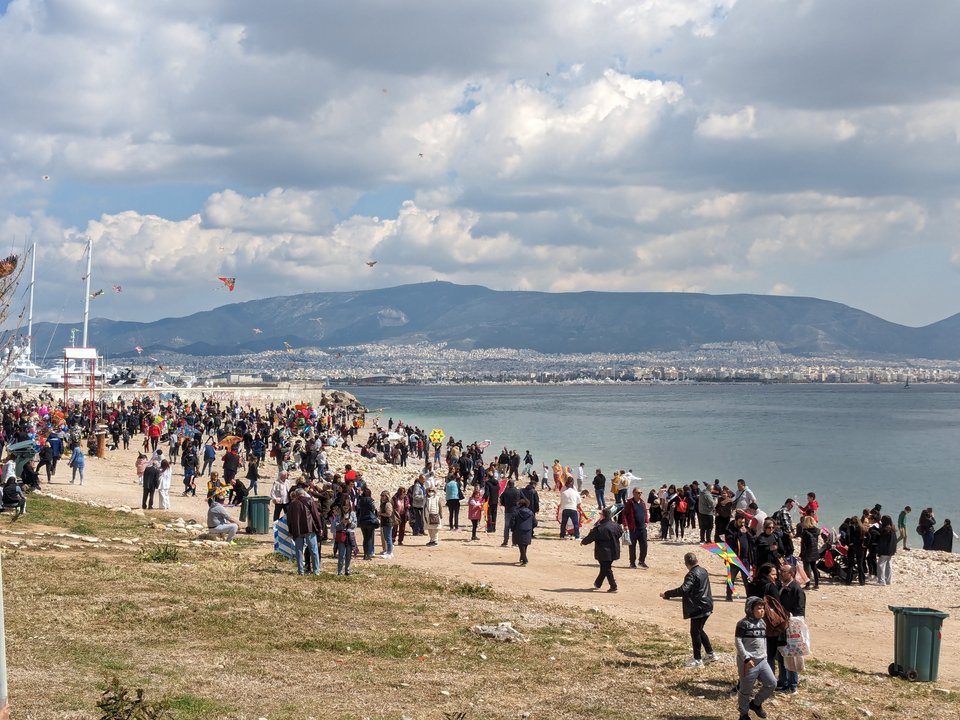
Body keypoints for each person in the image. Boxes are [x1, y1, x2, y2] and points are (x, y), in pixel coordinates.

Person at [661, 552, 716, 667]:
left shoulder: (691, 574)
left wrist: (667, 594)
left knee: (695, 632)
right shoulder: (703, 571)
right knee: (699, 630)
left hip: (698, 607)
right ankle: (710, 654)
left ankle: (697, 659)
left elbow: (683, 590)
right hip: (707, 605)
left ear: (686, 563)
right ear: (696, 560)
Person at [735, 597, 777, 720]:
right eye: (758, 608)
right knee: (745, 690)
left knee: (771, 683)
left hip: (762, 660)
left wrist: (765, 655)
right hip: (748, 662)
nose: (762, 611)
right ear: (750, 609)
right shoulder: (743, 624)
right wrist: (746, 658)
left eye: (763, 608)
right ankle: (743, 714)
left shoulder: (762, 623)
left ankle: (756, 704)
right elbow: (738, 642)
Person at [776, 565, 806, 692]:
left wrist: (788, 617)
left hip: (791, 628)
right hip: (780, 626)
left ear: (792, 573)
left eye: (784, 572)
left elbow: (800, 611)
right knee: (781, 655)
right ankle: (783, 682)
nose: (780, 573)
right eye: (780, 571)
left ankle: (793, 684)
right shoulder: (781, 586)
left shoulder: (796, 589)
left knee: (792, 656)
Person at [581, 506, 623, 592]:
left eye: (600, 514)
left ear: (603, 516)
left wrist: (583, 542)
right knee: (605, 567)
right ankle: (598, 583)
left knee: (606, 568)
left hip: (603, 551)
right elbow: (620, 533)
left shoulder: (600, 528)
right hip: (614, 550)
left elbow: (591, 537)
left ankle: (613, 586)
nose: (599, 515)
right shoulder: (616, 526)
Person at [287, 487, 323, 575]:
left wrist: (290, 530)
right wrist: (320, 527)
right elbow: (315, 515)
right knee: (313, 550)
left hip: (297, 530)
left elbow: (289, 519)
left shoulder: (292, 504)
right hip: (309, 528)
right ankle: (316, 571)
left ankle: (301, 571)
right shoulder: (309, 501)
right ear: (303, 493)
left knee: (299, 551)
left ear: (296, 495)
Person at [724, 514, 753, 600]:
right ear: (736, 521)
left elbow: (753, 539)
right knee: (731, 578)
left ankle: (749, 596)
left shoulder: (746, 529)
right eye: (740, 522)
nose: (742, 524)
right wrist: (740, 533)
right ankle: (729, 595)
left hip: (745, 559)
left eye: (743, 522)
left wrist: (747, 532)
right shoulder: (729, 529)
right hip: (733, 558)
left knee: (747, 580)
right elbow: (730, 541)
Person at [621, 487, 649, 568]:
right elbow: (624, 514)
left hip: (642, 528)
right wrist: (625, 525)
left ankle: (641, 561)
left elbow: (645, 513)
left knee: (644, 546)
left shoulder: (643, 502)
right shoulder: (630, 503)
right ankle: (632, 562)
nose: (639, 494)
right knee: (632, 547)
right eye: (638, 492)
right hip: (633, 529)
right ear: (633, 493)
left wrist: (646, 521)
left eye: (640, 493)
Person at [509, 497, 535, 565]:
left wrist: (512, 528)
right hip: (528, 530)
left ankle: (525, 560)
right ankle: (522, 558)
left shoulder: (516, 512)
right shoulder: (531, 512)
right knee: (525, 545)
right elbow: (535, 522)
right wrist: (531, 527)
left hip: (518, 530)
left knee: (521, 545)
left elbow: (512, 521)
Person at [334, 499, 357, 576]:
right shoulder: (339, 515)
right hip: (341, 536)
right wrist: (342, 523)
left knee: (348, 555)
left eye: (347, 507)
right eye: (344, 507)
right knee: (341, 555)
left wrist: (350, 522)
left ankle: (347, 570)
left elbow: (355, 525)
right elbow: (335, 526)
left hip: (350, 536)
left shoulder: (353, 514)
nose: (345, 509)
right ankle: (339, 572)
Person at [799, 515, 820, 590]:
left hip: (807, 552)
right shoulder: (817, 531)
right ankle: (816, 584)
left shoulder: (805, 532)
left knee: (806, 568)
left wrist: (801, 554)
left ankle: (808, 584)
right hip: (814, 551)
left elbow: (803, 545)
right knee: (814, 567)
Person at [356, 487, 378, 560]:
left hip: (362, 520)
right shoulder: (371, 500)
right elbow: (373, 509)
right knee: (369, 538)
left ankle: (365, 554)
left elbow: (358, 510)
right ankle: (368, 554)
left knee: (365, 538)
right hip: (370, 520)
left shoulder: (360, 500)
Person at [499, 479, 523, 547]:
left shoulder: (506, 492)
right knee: (515, 527)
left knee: (506, 527)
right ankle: (514, 542)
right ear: (514, 484)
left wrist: (505, 504)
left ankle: (505, 542)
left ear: (508, 484)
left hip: (508, 510)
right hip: (516, 511)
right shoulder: (518, 491)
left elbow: (501, 500)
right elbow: (522, 499)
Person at [876, 514, 897, 585]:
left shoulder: (885, 530)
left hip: (885, 550)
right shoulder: (893, 529)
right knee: (889, 565)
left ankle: (882, 581)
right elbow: (895, 541)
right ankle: (888, 580)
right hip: (891, 550)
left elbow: (883, 542)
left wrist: (879, 551)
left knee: (880, 565)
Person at [378, 490, 395, 558]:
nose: (382, 497)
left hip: (388, 522)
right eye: (381, 496)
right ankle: (387, 550)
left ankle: (389, 552)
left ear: (386, 496)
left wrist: (380, 514)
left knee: (388, 538)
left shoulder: (388, 504)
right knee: (386, 537)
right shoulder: (383, 503)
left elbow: (389, 514)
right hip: (384, 522)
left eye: (383, 496)